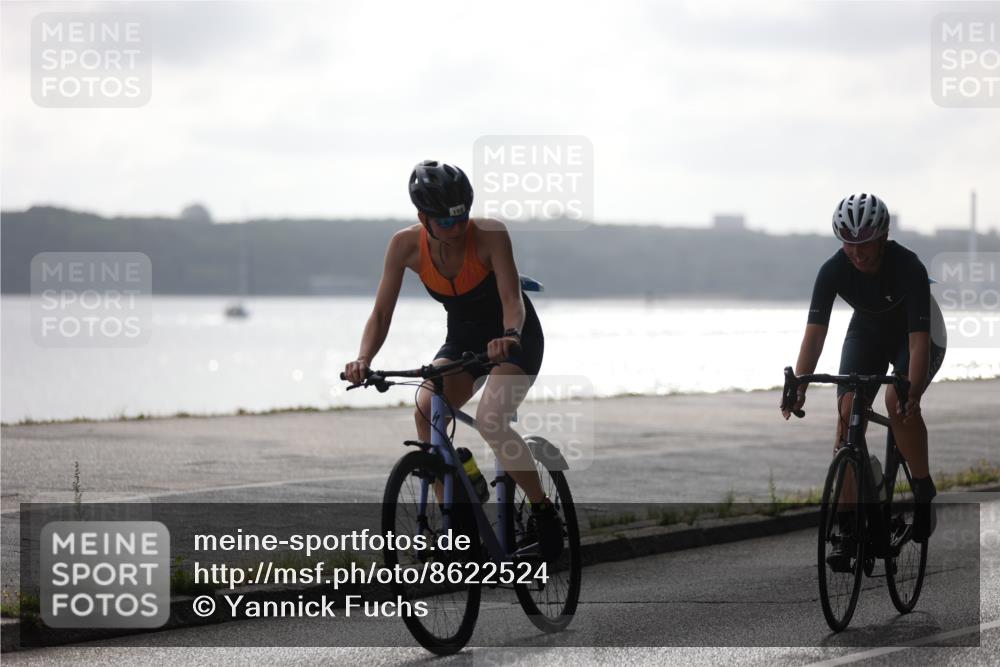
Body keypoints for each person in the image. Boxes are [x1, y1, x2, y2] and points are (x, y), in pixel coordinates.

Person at [343, 160, 561, 560]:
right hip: (463, 338)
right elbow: (381, 315)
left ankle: (544, 511)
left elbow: (512, 300)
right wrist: (363, 359)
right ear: (422, 218)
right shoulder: (404, 246)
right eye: (445, 222)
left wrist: (510, 335)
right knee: (427, 409)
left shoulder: (490, 234)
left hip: (514, 336)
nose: (457, 228)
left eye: (461, 218)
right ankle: (458, 525)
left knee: (491, 419)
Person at [782, 193, 946, 571]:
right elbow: (814, 337)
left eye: (866, 243)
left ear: (883, 237)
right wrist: (799, 386)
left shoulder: (908, 267)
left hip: (919, 334)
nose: (857, 253)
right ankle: (847, 527)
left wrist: (912, 393)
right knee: (846, 415)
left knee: (896, 403)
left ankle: (923, 488)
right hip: (868, 331)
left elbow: (918, 344)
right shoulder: (833, 270)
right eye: (849, 243)